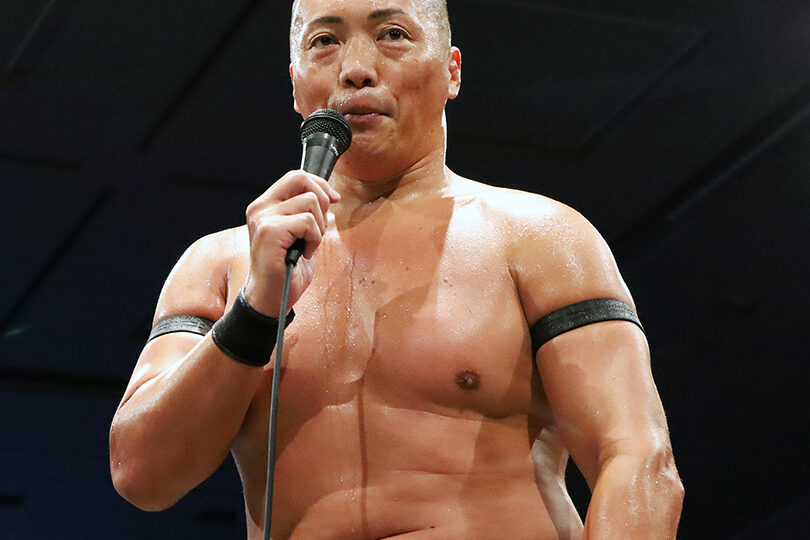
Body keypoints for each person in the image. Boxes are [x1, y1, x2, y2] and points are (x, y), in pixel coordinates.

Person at [109, 0, 684, 538]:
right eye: (324, 42)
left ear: (452, 71)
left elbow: (637, 456)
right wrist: (256, 309)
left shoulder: (541, 238)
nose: (356, 69)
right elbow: (142, 475)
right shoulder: (221, 264)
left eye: (392, 34)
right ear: (294, 83)